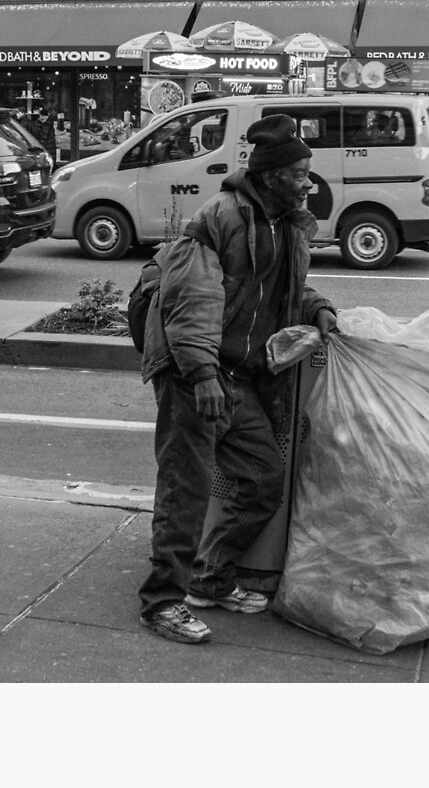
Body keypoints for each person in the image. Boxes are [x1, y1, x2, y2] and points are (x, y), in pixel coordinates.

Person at [138, 114, 338, 644]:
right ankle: (162, 602)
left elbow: (276, 290)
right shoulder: (219, 217)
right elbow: (191, 302)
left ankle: (209, 579)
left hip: (236, 373)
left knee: (262, 476)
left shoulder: (285, 223)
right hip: (194, 372)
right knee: (186, 489)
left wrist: (317, 307)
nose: (307, 182)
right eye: (298, 172)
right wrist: (201, 374)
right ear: (271, 176)